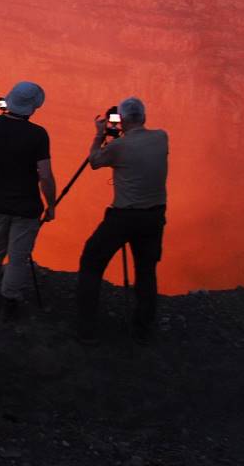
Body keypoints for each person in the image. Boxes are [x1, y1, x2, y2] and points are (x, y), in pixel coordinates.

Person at [76, 96, 168, 344]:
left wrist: (100, 135)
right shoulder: (162, 137)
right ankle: (143, 327)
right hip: (154, 217)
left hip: (124, 216)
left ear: (123, 120)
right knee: (146, 270)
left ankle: (85, 327)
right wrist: (122, 133)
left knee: (92, 261)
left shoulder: (118, 148)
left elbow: (95, 162)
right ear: (144, 117)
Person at [0, 81, 56, 320]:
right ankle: (9, 299)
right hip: (27, 208)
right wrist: (51, 205)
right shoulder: (38, 135)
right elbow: (46, 176)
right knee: (18, 255)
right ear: (33, 106)